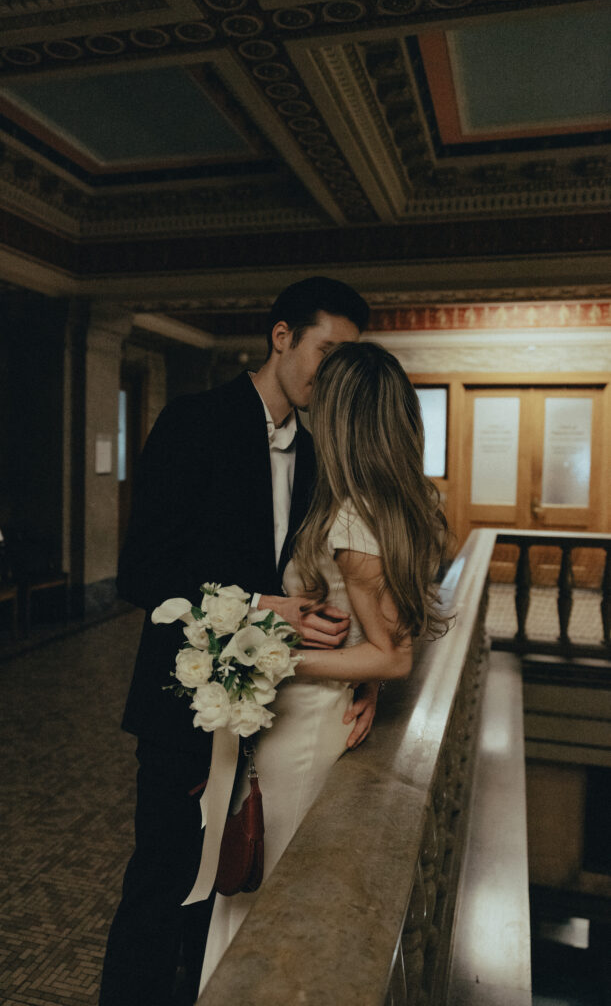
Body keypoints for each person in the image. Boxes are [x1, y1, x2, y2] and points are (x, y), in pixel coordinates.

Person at [99, 277, 376, 1006]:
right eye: (327, 351)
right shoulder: (194, 421)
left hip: (271, 715)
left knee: (229, 890)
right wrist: (260, 607)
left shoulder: (318, 452)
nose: (333, 373)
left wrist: (366, 676)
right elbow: (142, 573)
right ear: (281, 337)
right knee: (159, 889)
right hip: (183, 706)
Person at [199, 341, 449, 992]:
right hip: (310, 713)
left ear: (342, 418)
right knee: (265, 874)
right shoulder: (385, 504)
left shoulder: (354, 517)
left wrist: (277, 659)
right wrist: (356, 675)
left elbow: (392, 654)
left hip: (304, 729)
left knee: (272, 882)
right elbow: (380, 635)